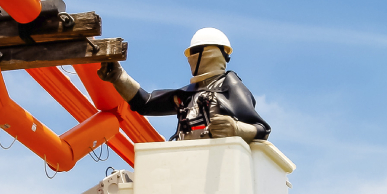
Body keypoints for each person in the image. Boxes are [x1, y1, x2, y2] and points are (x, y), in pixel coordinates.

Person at [97, 28, 270, 142]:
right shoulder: (187, 95)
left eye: (194, 53)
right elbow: (146, 102)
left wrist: (236, 128)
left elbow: (262, 129)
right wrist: (119, 77)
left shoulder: (229, 86)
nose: (190, 59)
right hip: (185, 161)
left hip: (219, 165)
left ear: (209, 53)